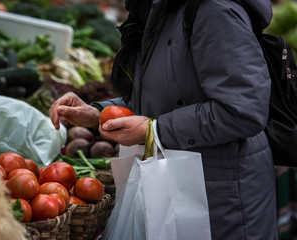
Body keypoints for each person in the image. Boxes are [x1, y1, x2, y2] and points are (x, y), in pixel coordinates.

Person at [49, 0, 278, 239]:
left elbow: (243, 111)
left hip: (223, 201)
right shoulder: (163, 8)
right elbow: (163, 97)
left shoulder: (214, 11)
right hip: (183, 188)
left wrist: (156, 129)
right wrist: (98, 113)